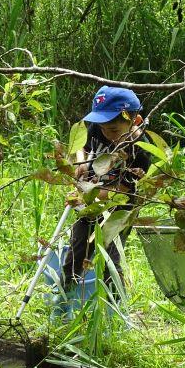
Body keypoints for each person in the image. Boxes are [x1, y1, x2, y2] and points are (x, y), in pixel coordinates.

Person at [61, 85, 151, 299]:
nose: (105, 134)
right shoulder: (99, 128)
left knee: (110, 257)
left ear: (134, 121)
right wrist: (81, 164)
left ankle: (113, 303)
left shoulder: (140, 151)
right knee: (77, 250)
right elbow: (81, 147)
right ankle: (66, 296)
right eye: (101, 128)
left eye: (113, 130)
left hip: (118, 210)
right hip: (89, 204)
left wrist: (83, 194)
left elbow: (120, 192)